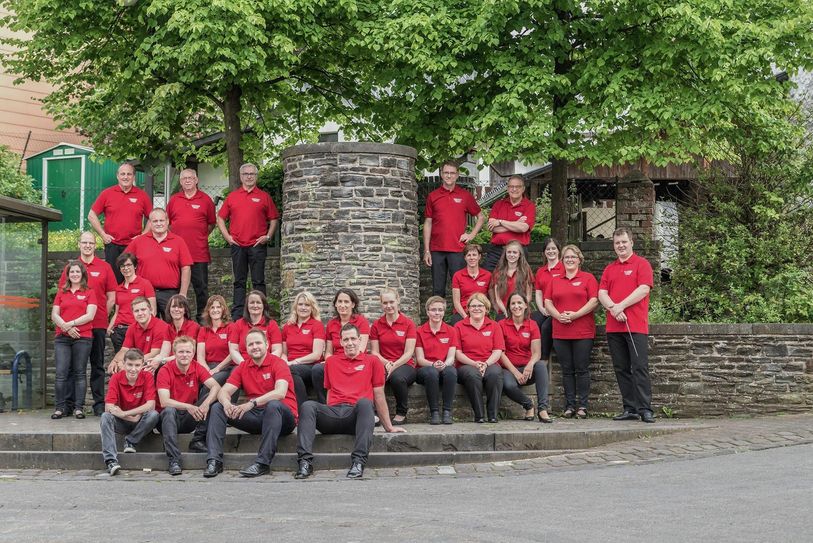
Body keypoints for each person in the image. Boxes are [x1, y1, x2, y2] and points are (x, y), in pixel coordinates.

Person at [294, 324, 406, 480]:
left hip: (355, 416)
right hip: (332, 415)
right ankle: (305, 462)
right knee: (307, 406)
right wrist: (329, 411)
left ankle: (358, 462)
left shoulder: (372, 361)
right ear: (340, 342)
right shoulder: (331, 362)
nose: (350, 342)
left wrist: (388, 426)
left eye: (353, 338)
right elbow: (330, 392)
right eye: (346, 339)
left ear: (360, 340)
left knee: (366, 403)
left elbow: (379, 395)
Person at [204, 329, 298, 478]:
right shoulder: (243, 367)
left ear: (267, 345)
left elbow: (280, 392)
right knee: (218, 407)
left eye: (258, 343)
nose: (255, 347)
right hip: (257, 417)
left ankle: (262, 463)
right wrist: (227, 403)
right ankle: (214, 461)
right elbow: (223, 391)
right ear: (246, 348)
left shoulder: (278, 363)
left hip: (283, 417)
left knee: (273, 404)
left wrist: (252, 403)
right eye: (251, 344)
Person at [598, 227, 655, 423]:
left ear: (631, 242)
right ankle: (629, 408)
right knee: (621, 368)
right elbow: (601, 294)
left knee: (640, 367)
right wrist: (614, 308)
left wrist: (621, 305)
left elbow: (644, 289)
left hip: (636, 326)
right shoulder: (609, 269)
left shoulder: (642, 264)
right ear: (614, 246)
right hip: (614, 328)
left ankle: (645, 409)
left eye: (624, 241)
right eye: (617, 243)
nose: (621, 245)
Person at [57, 232, 115, 416]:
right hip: (70, 328)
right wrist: (70, 325)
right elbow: (62, 296)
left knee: (97, 365)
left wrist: (97, 313)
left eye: (91, 242)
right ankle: (70, 404)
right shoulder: (71, 268)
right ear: (79, 244)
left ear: (95, 245)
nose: (88, 245)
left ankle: (98, 404)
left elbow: (112, 296)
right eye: (85, 242)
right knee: (73, 367)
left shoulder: (105, 267)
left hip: (96, 324)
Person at [216, 163, 279, 321]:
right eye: (246, 174)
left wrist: (268, 236)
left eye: (252, 174)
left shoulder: (264, 196)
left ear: (256, 176)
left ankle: (262, 313)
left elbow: (273, 219)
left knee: (258, 281)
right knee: (239, 281)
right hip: (238, 245)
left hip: (257, 246)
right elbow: (220, 218)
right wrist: (227, 237)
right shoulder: (233, 196)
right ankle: (238, 315)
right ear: (241, 176)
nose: (249, 176)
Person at [544, 245, 598, 419]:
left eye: (573, 257)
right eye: (566, 257)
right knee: (566, 370)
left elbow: (594, 301)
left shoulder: (588, 278)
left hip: (582, 331)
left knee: (581, 369)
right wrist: (557, 316)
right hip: (560, 331)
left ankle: (582, 406)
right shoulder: (555, 280)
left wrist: (575, 315)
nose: (569, 260)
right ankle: (569, 406)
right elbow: (547, 302)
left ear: (579, 259)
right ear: (562, 260)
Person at [156, 336, 220, 475]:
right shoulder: (165, 370)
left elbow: (215, 386)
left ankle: (197, 441)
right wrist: (188, 406)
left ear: (193, 353)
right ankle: (174, 460)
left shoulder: (197, 366)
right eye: (181, 352)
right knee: (168, 410)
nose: (184, 355)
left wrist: (206, 404)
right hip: (168, 419)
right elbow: (164, 401)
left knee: (213, 398)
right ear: (174, 353)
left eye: (188, 352)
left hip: (189, 417)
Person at [423, 160, 485, 297]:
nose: (449, 176)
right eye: (446, 173)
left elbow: (481, 217)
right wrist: (427, 250)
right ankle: (439, 319)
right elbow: (428, 223)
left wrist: (471, 235)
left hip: (458, 249)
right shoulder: (433, 196)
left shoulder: (465, 196)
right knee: (437, 291)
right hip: (436, 250)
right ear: (441, 174)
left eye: (452, 173)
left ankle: (462, 318)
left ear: (457, 175)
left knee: (461, 290)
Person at [88, 162, 152, 283]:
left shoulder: (142, 195)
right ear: (117, 176)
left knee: (133, 278)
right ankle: (114, 302)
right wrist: (102, 234)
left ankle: (131, 301)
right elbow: (91, 215)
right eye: (123, 174)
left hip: (133, 245)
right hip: (112, 244)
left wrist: (143, 235)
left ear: (134, 177)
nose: (125, 177)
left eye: (129, 174)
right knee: (113, 280)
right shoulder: (107, 193)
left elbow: (152, 218)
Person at [99, 348, 160, 476]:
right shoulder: (116, 378)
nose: (133, 369)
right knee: (105, 417)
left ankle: (131, 440)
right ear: (124, 364)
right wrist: (128, 416)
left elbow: (151, 405)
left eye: (137, 365)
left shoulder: (147, 376)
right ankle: (111, 461)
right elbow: (109, 407)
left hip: (140, 423)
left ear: (142, 365)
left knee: (154, 415)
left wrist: (125, 413)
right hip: (122, 422)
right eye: (130, 365)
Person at [166, 168, 216, 322]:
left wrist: (199, 236)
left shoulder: (206, 200)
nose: (187, 180)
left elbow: (211, 224)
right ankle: (180, 319)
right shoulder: (174, 200)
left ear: (196, 180)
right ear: (180, 182)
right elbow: (167, 222)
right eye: (184, 178)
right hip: (176, 254)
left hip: (198, 253)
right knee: (176, 289)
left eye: (190, 178)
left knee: (201, 289)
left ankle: (202, 320)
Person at [125, 208, 193, 318]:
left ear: (167, 221)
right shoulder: (139, 241)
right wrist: (130, 285)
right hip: (144, 293)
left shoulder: (178, 241)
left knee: (172, 327)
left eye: (161, 220)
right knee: (146, 327)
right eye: (155, 221)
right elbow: (124, 261)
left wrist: (183, 293)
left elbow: (186, 268)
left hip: (169, 293)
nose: (159, 224)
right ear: (150, 223)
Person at [51, 261, 98, 419]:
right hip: (62, 338)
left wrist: (69, 324)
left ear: (82, 274)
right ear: (68, 275)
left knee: (79, 373)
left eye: (78, 272)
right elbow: (54, 315)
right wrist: (66, 329)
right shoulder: (61, 292)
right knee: (61, 373)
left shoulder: (89, 292)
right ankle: (60, 408)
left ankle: (78, 408)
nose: (75, 274)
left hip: (82, 337)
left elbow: (90, 315)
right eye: (72, 272)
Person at [499, 292, 551, 423]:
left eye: (519, 303)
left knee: (540, 366)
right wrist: (515, 372)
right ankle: (528, 405)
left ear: (526, 305)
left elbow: (537, 353)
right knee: (508, 385)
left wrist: (530, 364)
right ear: (509, 307)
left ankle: (543, 409)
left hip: (527, 370)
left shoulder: (532, 325)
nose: (516, 306)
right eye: (513, 303)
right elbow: (500, 353)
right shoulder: (501, 325)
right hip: (508, 369)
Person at [313, 288, 370, 404]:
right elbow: (328, 352)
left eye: (346, 302)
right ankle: (325, 407)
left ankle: (365, 408)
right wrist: (330, 361)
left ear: (353, 304)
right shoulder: (331, 324)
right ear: (335, 304)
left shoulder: (361, 322)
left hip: (356, 360)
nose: (342, 305)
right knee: (317, 370)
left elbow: (360, 349)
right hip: (336, 362)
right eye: (339, 301)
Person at [454, 293, 505, 423]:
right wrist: (475, 364)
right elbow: (458, 353)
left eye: (480, 306)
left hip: (489, 363)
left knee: (495, 374)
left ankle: (493, 414)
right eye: (473, 306)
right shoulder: (459, 326)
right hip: (466, 364)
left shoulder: (494, 326)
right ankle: (479, 415)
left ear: (486, 309)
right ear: (468, 308)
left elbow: (498, 351)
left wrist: (486, 364)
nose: (476, 308)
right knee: (473, 375)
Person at [370, 288, 417, 425]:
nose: (389, 306)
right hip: (383, 363)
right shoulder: (377, 325)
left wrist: (394, 365)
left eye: (391, 302)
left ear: (398, 301)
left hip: (405, 364)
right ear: (381, 304)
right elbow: (374, 352)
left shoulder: (408, 324)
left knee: (398, 378)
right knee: (370, 376)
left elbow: (409, 352)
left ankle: (401, 413)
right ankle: (373, 414)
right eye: (385, 303)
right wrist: (387, 364)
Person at [414, 296, 458, 425]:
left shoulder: (451, 331)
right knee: (431, 372)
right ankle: (434, 412)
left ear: (444, 312)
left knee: (451, 372)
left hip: (445, 366)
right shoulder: (419, 331)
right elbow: (420, 359)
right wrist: (433, 364)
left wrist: (444, 364)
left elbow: (451, 356)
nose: (437, 313)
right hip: (425, 369)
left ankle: (447, 412)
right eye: (433, 310)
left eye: (440, 310)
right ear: (427, 311)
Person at [281, 291, 326, 408]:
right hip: (291, 366)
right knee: (288, 371)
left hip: (310, 366)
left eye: (307, 305)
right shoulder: (287, 327)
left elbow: (316, 355)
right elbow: (284, 352)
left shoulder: (317, 325)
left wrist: (293, 362)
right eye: (300, 304)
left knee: (291, 370)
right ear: (296, 306)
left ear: (312, 308)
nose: (303, 308)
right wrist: (285, 361)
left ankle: (303, 408)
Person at [483, 175, 536, 271]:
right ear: (507, 188)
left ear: (523, 188)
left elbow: (523, 228)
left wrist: (500, 222)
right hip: (497, 250)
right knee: (487, 277)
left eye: (518, 187)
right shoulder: (498, 204)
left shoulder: (529, 206)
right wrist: (516, 223)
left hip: (518, 251)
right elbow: (492, 227)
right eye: (511, 186)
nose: (514, 189)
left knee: (518, 281)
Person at [107, 252, 156, 354]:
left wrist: (144, 329)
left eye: (129, 265)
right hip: (119, 332)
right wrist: (110, 328)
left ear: (135, 266)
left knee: (137, 361)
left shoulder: (145, 284)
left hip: (137, 330)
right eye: (122, 266)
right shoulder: (118, 288)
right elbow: (117, 312)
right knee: (120, 363)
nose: (126, 268)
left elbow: (153, 311)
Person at [107, 296, 171, 374]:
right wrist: (115, 361)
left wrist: (128, 363)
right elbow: (124, 350)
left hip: (157, 365)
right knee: (115, 370)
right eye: (136, 311)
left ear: (150, 310)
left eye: (143, 310)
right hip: (140, 363)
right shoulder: (132, 327)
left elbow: (155, 353)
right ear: (133, 313)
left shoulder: (161, 326)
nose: (140, 313)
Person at [532, 237, 563, 383]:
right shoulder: (541, 271)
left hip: (559, 309)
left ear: (558, 250)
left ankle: (543, 360)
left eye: (553, 249)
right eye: (548, 249)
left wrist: (552, 310)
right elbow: (538, 293)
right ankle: (530, 355)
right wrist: (542, 308)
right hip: (545, 308)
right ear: (544, 252)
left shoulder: (564, 267)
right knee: (532, 321)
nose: (551, 251)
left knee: (545, 327)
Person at [228, 290, 282, 367]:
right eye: (252, 302)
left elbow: (277, 350)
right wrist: (244, 364)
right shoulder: (238, 324)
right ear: (247, 306)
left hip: (267, 365)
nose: (255, 305)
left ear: (264, 305)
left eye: (258, 302)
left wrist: (262, 363)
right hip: (243, 365)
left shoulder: (272, 324)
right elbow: (233, 350)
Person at [488, 240, 534, 320]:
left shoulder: (525, 270)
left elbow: (528, 296)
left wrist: (520, 311)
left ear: (519, 254)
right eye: (509, 252)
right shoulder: (498, 271)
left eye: (514, 252)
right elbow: (497, 298)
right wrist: (506, 312)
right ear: (505, 254)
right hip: (503, 311)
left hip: (521, 311)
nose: (511, 255)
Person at [196, 295, 234, 385]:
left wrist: (217, 369)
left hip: (226, 367)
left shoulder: (231, 327)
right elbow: (200, 356)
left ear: (223, 309)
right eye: (212, 307)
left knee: (210, 382)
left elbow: (232, 353)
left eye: (218, 307)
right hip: (208, 367)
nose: (215, 310)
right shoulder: (203, 330)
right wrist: (207, 370)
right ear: (208, 310)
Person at [450, 243, 491, 326]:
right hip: (463, 312)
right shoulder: (458, 275)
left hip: (481, 311)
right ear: (465, 257)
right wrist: (466, 317)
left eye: (474, 255)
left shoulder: (488, 275)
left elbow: (490, 299)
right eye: (469, 255)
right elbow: (456, 302)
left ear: (479, 257)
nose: (472, 258)